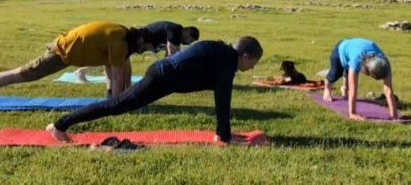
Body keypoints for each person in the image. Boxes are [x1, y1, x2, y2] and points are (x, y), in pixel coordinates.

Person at [46, 37, 263, 144]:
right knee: (116, 105)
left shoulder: (223, 53)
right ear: (245, 55)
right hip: (161, 77)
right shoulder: (226, 63)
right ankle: (60, 125)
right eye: (253, 62)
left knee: (118, 105)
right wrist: (224, 136)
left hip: (163, 75)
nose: (251, 68)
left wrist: (222, 133)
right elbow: (222, 101)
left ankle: (60, 124)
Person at [0, 21, 155, 107]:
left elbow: (110, 69)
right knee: (22, 74)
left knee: (22, 74)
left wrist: (111, 97)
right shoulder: (120, 43)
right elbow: (118, 76)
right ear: (140, 40)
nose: (145, 51)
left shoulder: (121, 33)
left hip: (67, 48)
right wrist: (117, 103)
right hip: (61, 53)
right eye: (147, 48)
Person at [72, 21, 199, 82]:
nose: (188, 42)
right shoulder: (176, 30)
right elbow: (172, 54)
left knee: (115, 59)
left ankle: (82, 70)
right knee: (115, 59)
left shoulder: (175, 33)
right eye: (189, 39)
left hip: (144, 43)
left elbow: (170, 54)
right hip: (139, 41)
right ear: (186, 31)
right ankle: (81, 71)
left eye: (190, 42)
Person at [323, 38, 399, 121]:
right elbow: (353, 89)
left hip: (353, 49)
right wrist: (352, 113)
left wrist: (394, 114)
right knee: (335, 74)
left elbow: (388, 90)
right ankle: (327, 88)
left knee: (349, 73)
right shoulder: (357, 60)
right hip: (341, 49)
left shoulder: (385, 63)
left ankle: (344, 88)